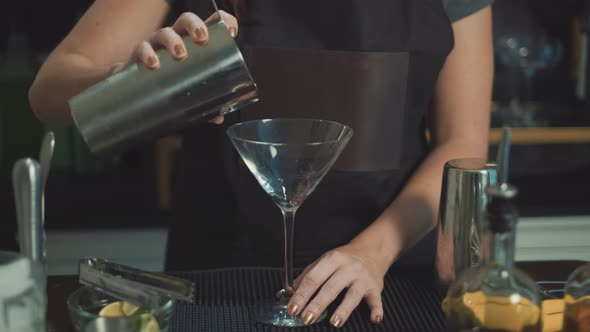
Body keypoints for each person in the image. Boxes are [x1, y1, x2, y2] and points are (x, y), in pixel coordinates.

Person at [29, 0, 494, 327]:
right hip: (222, 282)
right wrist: (134, 79)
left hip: (386, 279)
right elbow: (47, 92)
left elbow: (462, 141)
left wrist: (373, 251)